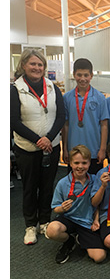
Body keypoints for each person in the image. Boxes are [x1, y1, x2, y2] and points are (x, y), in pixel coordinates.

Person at [10, 49, 65, 245]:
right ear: (23, 65)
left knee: (47, 186)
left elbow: (61, 116)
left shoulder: (52, 87)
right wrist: (38, 140)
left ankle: (44, 220)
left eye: (40, 64)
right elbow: (13, 121)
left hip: (51, 147)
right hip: (27, 149)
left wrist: (48, 138)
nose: (36, 68)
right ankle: (30, 226)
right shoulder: (15, 89)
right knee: (30, 188)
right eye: (32, 64)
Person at [46, 145, 106, 264]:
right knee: (52, 230)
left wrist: (96, 219)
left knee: (100, 257)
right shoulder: (62, 183)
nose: (80, 166)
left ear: (89, 163)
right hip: (69, 218)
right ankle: (69, 241)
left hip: (86, 222)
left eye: (84, 163)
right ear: (71, 164)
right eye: (76, 163)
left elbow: (97, 203)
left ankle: (80, 238)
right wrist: (62, 208)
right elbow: (55, 209)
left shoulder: (95, 180)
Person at [62, 58, 109, 174]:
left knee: (94, 184)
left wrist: (102, 149)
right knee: (74, 185)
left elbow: (104, 125)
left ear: (91, 76)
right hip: (74, 151)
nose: (82, 79)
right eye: (79, 75)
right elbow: (65, 125)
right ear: (74, 75)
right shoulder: (67, 98)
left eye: (86, 75)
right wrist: (65, 149)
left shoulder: (100, 98)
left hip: (93, 150)